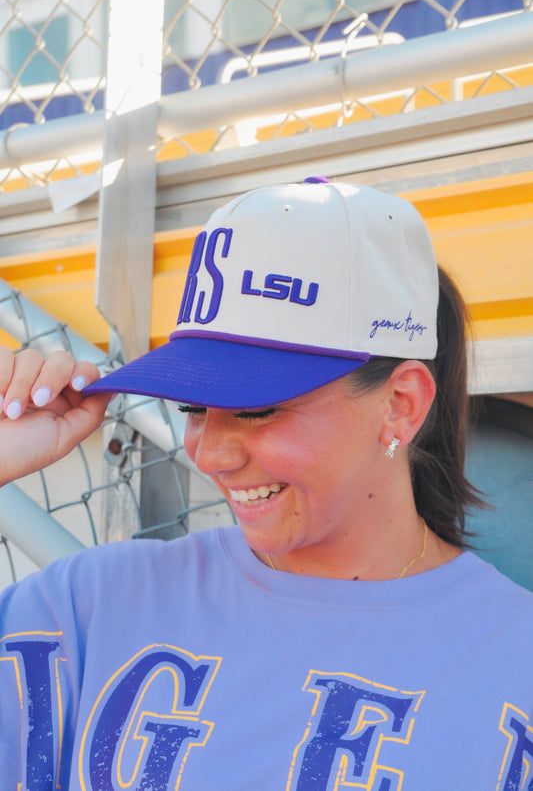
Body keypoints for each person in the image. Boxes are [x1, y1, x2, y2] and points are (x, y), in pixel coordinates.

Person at [0, 179, 531, 791]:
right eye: (192, 407)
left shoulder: (512, 657)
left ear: (401, 406)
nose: (209, 454)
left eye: (257, 409)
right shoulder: (90, 603)